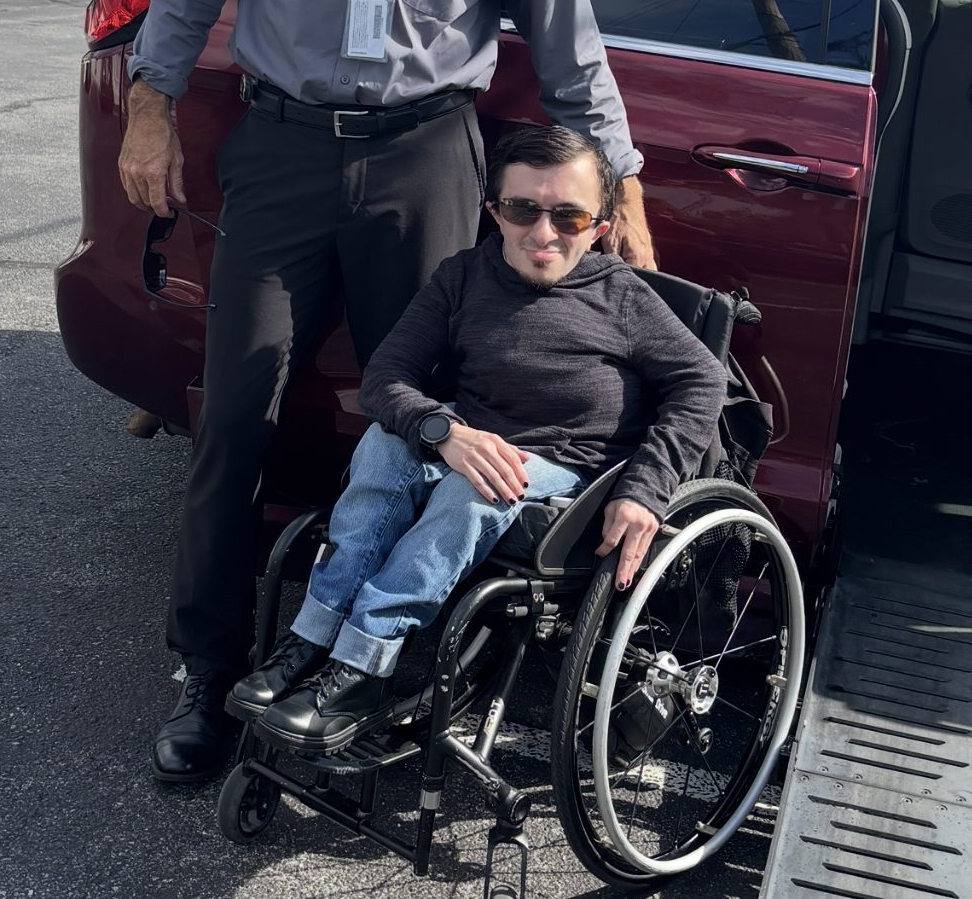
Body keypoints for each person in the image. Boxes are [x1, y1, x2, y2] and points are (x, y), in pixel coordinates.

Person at [119, 0, 656, 784]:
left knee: (425, 424)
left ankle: (376, 678)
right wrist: (150, 101)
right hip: (282, 149)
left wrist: (618, 184)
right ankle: (208, 679)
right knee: (237, 419)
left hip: (425, 161)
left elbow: (571, 57)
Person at [224, 126, 725, 753]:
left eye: (568, 217)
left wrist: (646, 490)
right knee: (385, 442)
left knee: (476, 486)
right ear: (495, 213)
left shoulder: (621, 297)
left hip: (571, 474)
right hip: (470, 441)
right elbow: (387, 376)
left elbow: (702, 380)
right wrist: (446, 433)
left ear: (598, 227)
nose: (543, 234)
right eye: (523, 210)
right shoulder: (465, 275)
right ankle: (312, 638)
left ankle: (361, 668)